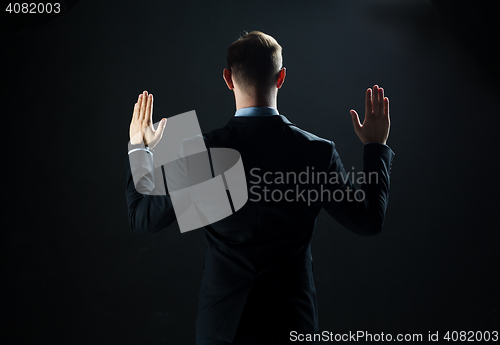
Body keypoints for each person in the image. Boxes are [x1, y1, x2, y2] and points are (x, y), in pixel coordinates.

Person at [126, 31, 394, 345]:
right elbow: (368, 221)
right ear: (281, 77)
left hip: (222, 328)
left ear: (228, 78)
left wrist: (139, 148)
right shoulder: (317, 151)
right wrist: (375, 147)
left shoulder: (198, 150)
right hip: (292, 324)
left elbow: (142, 218)